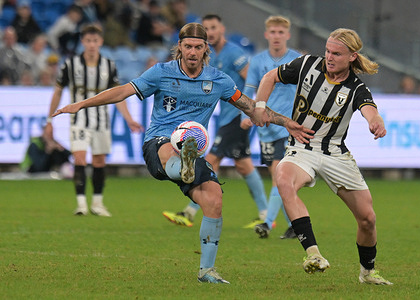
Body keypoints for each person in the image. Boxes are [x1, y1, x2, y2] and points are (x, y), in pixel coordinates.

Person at [51, 22, 314, 284]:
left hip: (191, 149)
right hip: (158, 143)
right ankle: (184, 164)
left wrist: (286, 122)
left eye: (198, 47)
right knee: (172, 148)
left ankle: (206, 271)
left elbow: (252, 108)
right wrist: (81, 104)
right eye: (188, 46)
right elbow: (123, 91)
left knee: (214, 200)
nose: (192, 52)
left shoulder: (218, 80)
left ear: (205, 49)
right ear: (179, 47)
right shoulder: (161, 73)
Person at [253, 28, 393, 285]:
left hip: (335, 154)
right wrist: (260, 106)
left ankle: (368, 272)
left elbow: (369, 110)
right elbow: (270, 77)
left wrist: (376, 121)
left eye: (336, 53)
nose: (329, 57)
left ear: (352, 56)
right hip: (302, 146)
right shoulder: (307, 65)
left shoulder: (356, 87)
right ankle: (313, 254)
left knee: (367, 219)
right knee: (284, 180)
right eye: (328, 51)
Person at [162, 14, 268, 228]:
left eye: (213, 27)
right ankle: (266, 214)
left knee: (211, 160)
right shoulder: (211, 55)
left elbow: (252, 79)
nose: (210, 32)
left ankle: (190, 212)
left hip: (236, 118)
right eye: (206, 28)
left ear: (222, 29)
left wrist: (252, 108)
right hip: (228, 118)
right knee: (244, 165)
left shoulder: (233, 52)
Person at [44, 24, 143, 217]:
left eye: (95, 41)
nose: (91, 45)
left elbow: (118, 96)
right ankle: (81, 204)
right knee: (80, 158)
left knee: (99, 161)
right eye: (88, 41)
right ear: (83, 42)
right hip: (78, 119)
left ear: (100, 42)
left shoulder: (109, 66)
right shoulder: (70, 65)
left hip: (101, 120)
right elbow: (58, 91)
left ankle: (97, 203)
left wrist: (129, 119)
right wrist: (49, 119)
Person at [242, 15, 302, 239]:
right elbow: (249, 89)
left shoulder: (296, 60)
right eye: (273, 32)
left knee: (280, 177)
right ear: (267, 34)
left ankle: (267, 223)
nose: (277, 36)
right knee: (279, 180)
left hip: (288, 126)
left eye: (281, 32)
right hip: (264, 127)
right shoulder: (257, 61)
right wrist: (245, 113)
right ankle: (294, 224)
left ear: (287, 35)